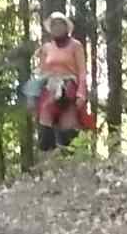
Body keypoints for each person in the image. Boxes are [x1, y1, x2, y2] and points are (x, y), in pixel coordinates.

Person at [31, 13, 91, 152]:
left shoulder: (76, 46)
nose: (57, 27)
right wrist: (35, 92)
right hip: (50, 88)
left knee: (68, 126)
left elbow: (82, 72)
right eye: (54, 25)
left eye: (60, 24)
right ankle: (48, 157)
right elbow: (41, 72)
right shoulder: (46, 48)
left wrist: (81, 93)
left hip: (69, 88)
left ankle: (71, 158)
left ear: (66, 27)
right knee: (45, 123)